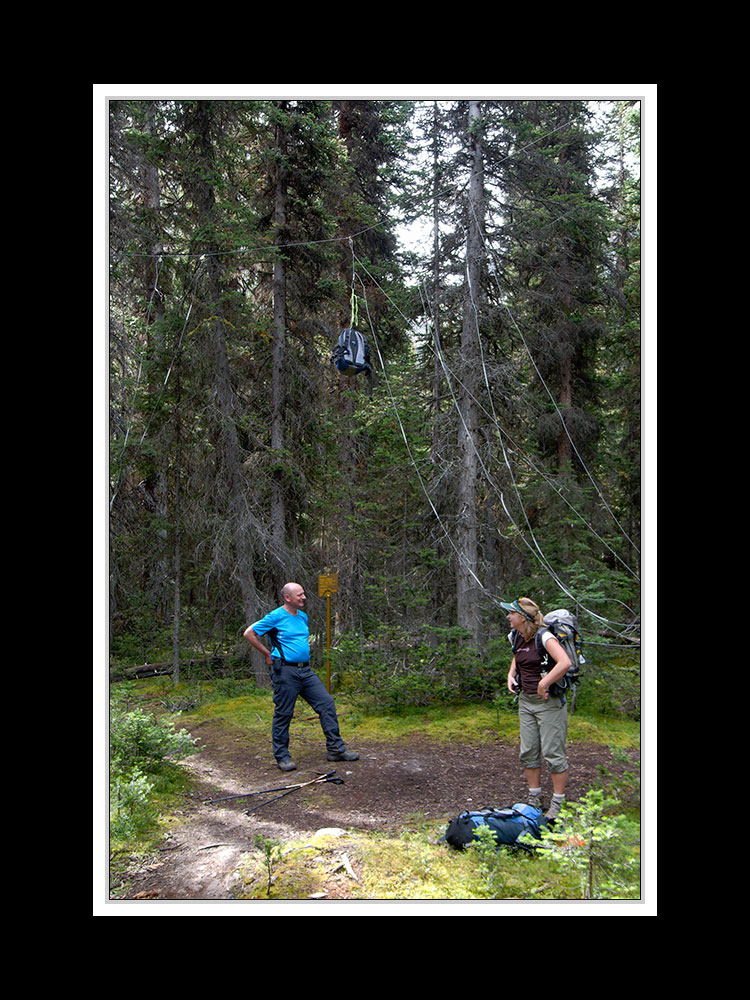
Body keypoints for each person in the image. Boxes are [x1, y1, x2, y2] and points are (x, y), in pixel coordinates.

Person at [244, 583, 359, 772]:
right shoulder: (276, 616)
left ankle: (336, 750)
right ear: (287, 598)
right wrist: (267, 653)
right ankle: (282, 757)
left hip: (305, 671)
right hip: (285, 672)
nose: (304, 597)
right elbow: (249, 633)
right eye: (299, 595)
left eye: (304, 594)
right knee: (284, 713)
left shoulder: (303, 617)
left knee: (326, 703)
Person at [501, 597, 572, 820]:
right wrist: (511, 674)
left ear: (522, 617)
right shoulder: (516, 635)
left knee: (553, 753)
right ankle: (534, 799)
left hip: (549, 703)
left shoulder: (545, 636)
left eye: (511, 613)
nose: (508, 617)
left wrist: (544, 683)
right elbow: (518, 655)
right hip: (526, 701)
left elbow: (565, 662)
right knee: (528, 751)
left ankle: (557, 803)